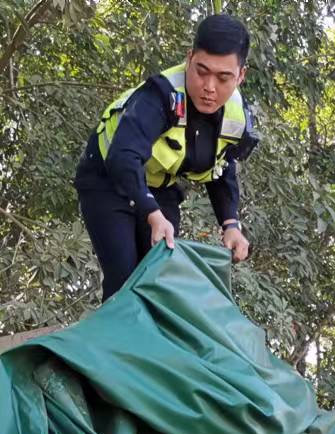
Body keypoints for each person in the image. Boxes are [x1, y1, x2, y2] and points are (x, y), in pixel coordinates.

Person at [74, 15, 259, 300]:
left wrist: (231, 224)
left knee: (159, 278)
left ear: (240, 76)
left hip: (159, 187)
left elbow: (222, 168)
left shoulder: (235, 116)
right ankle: (117, 339)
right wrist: (152, 213)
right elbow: (123, 156)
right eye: (201, 71)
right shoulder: (161, 95)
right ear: (189, 58)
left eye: (223, 78)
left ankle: (154, 343)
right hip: (107, 180)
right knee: (124, 280)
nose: (209, 87)